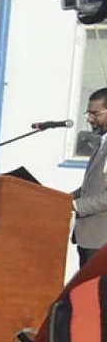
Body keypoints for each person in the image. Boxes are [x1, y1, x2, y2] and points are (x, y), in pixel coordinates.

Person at [72, 88, 107, 269]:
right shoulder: (101, 142)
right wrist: (62, 199)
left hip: (102, 239)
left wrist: (76, 205)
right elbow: (92, 185)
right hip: (88, 237)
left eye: (95, 114)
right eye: (89, 113)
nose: (89, 119)